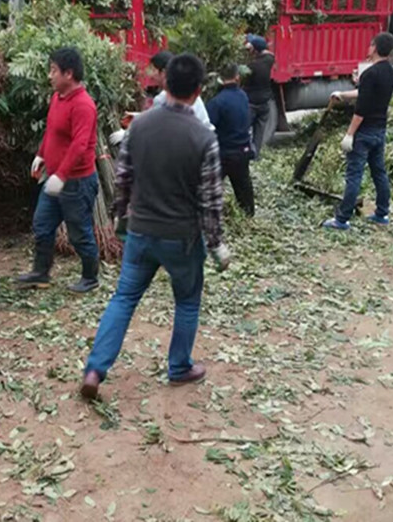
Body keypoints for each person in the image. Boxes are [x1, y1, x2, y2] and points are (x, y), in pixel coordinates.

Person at [80, 54, 230, 400]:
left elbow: (123, 178)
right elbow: (210, 199)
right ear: (197, 91)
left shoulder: (140, 126)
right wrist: (216, 243)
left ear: (165, 83)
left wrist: (121, 218)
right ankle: (179, 368)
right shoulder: (204, 137)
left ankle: (94, 369)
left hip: (141, 233)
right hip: (182, 239)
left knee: (124, 299)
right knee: (187, 301)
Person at [17, 47, 100, 293]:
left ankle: (90, 277)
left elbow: (80, 145)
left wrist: (62, 175)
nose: (49, 76)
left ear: (69, 74)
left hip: (76, 182)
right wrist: (41, 154)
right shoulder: (57, 98)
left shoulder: (84, 105)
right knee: (42, 224)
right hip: (54, 178)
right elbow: (52, 130)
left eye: (54, 71)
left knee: (79, 231)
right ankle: (41, 273)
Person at [323, 32, 393, 230]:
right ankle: (382, 213)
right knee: (379, 172)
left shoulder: (370, 73)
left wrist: (350, 133)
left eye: (370, 45)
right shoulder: (390, 71)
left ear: (374, 47)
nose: (368, 48)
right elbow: (365, 93)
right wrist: (343, 94)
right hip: (380, 130)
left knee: (354, 175)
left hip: (364, 132)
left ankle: (342, 219)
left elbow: (362, 108)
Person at [206, 63, 255, 216]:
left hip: (224, 152)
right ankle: (248, 215)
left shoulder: (217, 102)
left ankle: (206, 215)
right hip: (243, 150)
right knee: (243, 187)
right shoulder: (243, 96)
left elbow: (208, 126)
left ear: (220, 79)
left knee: (209, 188)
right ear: (237, 77)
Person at [243, 34, 275, 158]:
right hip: (265, 103)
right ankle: (255, 155)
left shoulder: (253, 66)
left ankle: (245, 153)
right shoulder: (269, 61)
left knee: (245, 130)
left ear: (255, 50)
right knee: (259, 132)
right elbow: (268, 53)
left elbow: (243, 77)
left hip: (252, 103)